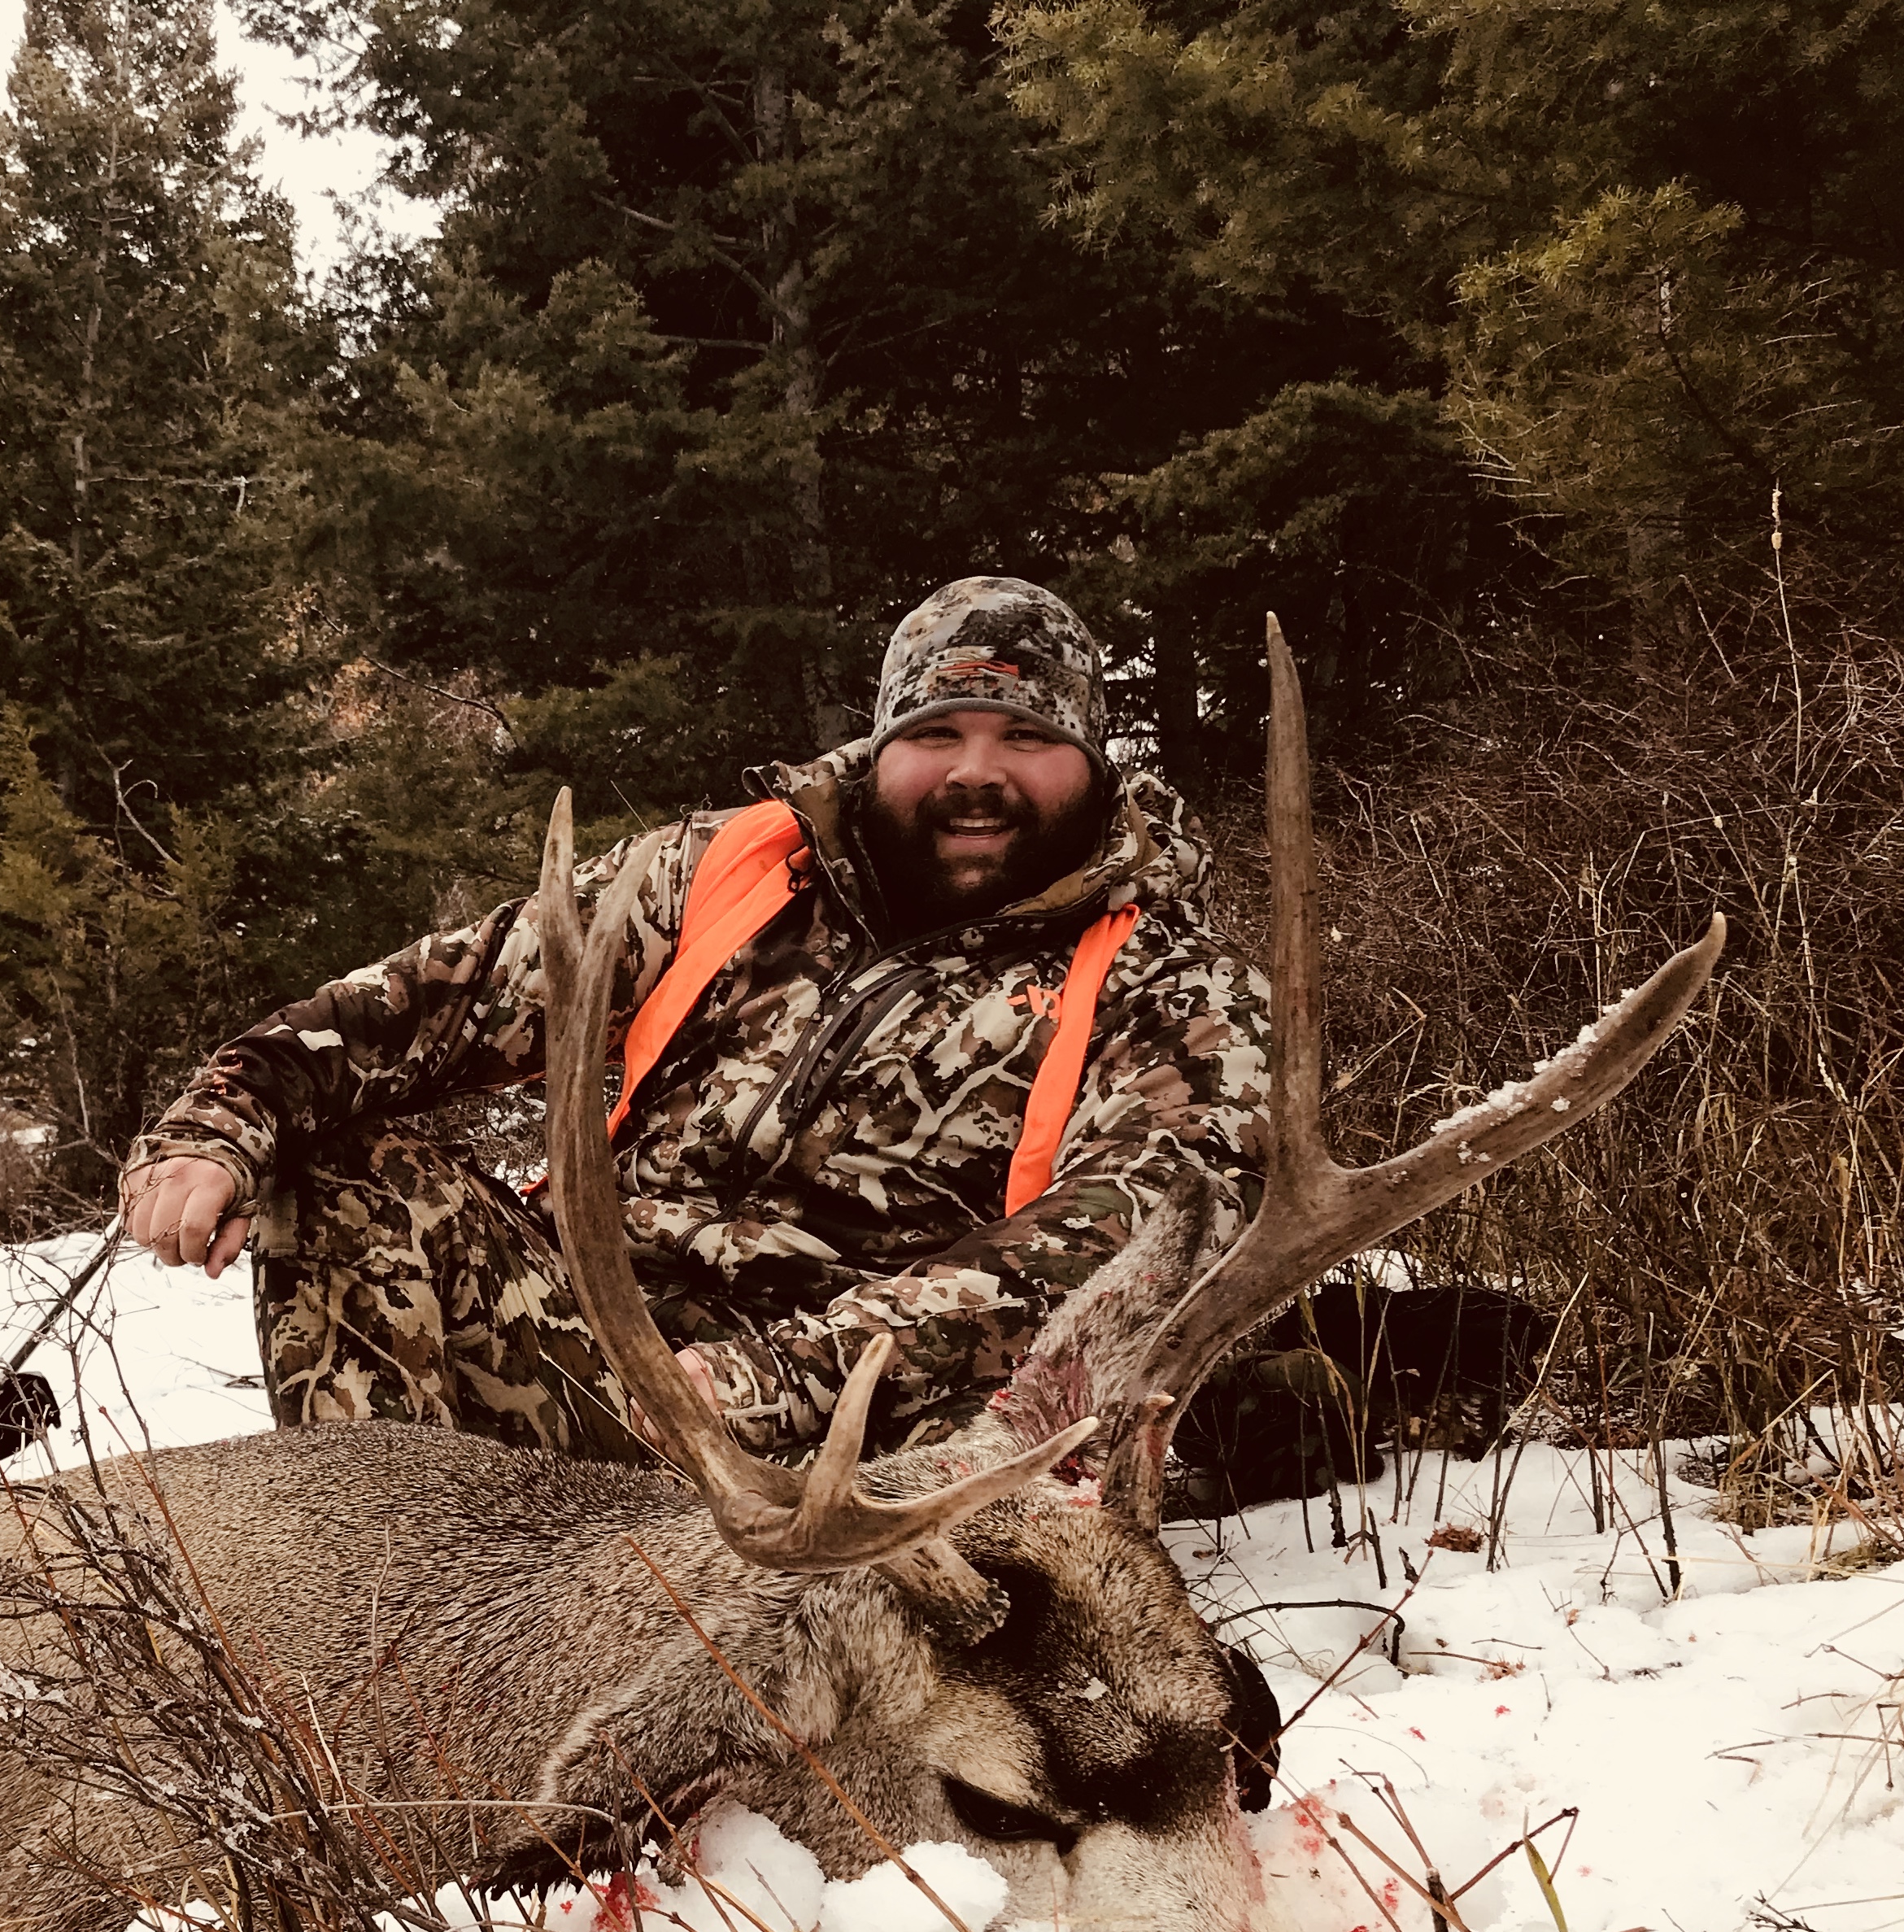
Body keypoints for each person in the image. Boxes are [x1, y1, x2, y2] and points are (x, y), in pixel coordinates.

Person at [117, 577, 1272, 1464]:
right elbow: (437, 999)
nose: (979, 772)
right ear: (880, 752)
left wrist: (769, 1381)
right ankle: (382, 1615)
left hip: (853, 1443)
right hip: (594, 1348)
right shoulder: (723, 874)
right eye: (937, 736)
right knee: (342, 1164)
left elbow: (1135, 1242)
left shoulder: (1173, 988)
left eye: (1027, 739)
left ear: (1091, 762)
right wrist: (225, 1118)